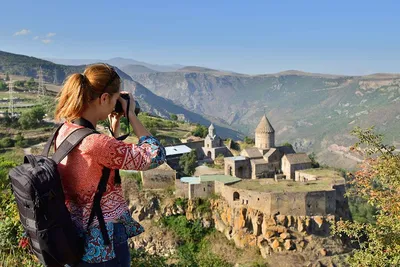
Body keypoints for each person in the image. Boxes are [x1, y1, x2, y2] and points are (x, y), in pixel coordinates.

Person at [54, 63, 166, 267]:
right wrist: (131, 115)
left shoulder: (64, 131)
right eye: (115, 99)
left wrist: (114, 128)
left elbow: (98, 163)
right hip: (104, 244)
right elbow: (155, 156)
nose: (117, 104)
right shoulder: (96, 143)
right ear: (104, 98)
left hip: (75, 236)